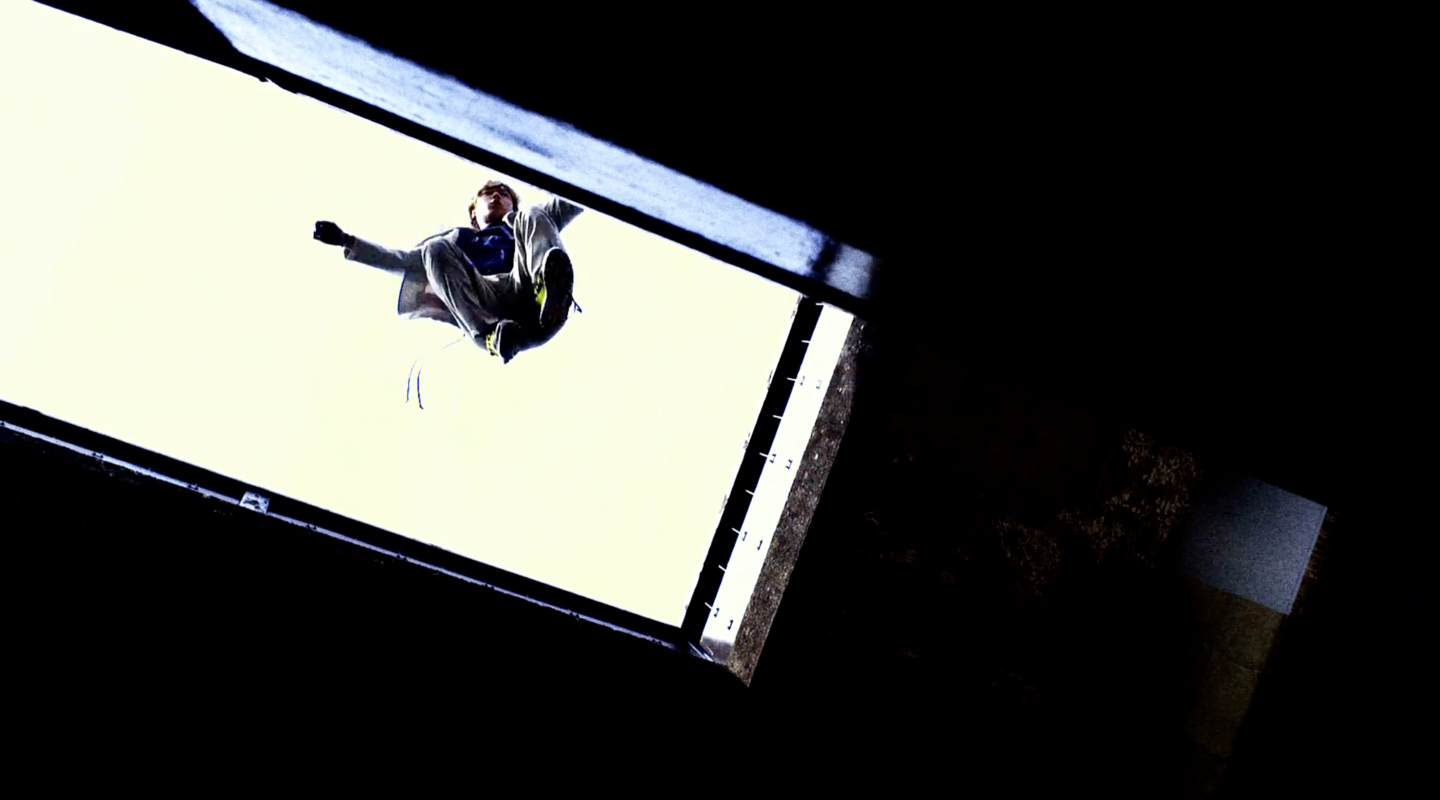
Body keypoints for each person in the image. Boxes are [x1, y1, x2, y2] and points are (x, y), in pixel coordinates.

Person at [312, 180, 582, 365]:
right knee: (434, 248)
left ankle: (548, 290)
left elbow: (574, 198)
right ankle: (488, 334)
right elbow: (403, 261)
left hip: (532, 302)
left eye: (504, 194)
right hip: (490, 304)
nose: (497, 196)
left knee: (533, 214)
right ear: (474, 213)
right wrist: (347, 241)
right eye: (489, 194)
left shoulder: (522, 222)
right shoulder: (459, 239)